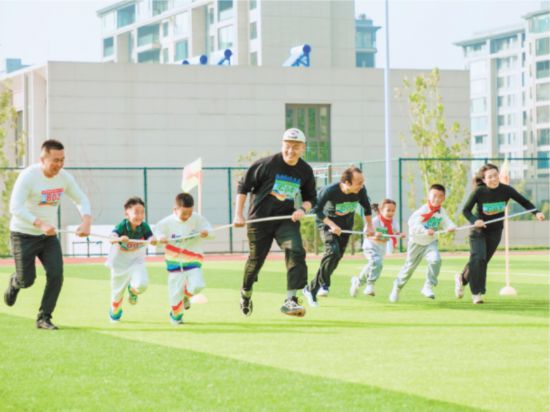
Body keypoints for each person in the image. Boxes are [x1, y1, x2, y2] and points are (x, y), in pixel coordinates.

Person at [4, 139, 91, 330]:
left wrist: (86, 220)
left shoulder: (64, 178)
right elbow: (15, 207)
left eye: (62, 160)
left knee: (56, 275)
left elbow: (80, 198)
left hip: (48, 237)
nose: (59, 164)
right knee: (27, 280)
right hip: (23, 235)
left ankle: (44, 317)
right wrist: (40, 223)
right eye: (55, 160)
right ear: (42, 159)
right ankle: (16, 282)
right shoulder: (28, 177)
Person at [234, 128, 316, 317]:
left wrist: (302, 209)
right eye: (288, 146)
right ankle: (246, 293)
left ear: (303, 148)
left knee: (296, 251)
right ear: (282, 145)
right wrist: (238, 214)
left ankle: (291, 300)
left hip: (285, 220)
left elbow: (311, 198)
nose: (291, 150)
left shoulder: (305, 170)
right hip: (259, 221)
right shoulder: (266, 164)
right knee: (256, 261)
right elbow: (243, 186)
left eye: (296, 147)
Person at [455, 163, 545, 304]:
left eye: (495, 175)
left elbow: (524, 202)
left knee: (482, 260)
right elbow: (465, 210)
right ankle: (477, 294)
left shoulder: (506, 190)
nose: (494, 179)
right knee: (478, 257)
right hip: (478, 230)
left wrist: (537, 212)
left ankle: (462, 278)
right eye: (490, 177)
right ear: (484, 179)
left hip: (495, 231)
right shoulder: (479, 191)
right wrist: (475, 220)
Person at [302, 167, 374, 307]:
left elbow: (366, 207)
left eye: (362, 182)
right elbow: (316, 210)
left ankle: (314, 287)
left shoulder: (361, 190)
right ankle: (319, 286)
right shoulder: (330, 191)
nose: (362, 185)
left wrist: (370, 226)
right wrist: (332, 225)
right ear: (347, 182)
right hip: (327, 224)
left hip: (346, 226)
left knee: (336, 258)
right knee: (332, 252)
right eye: (359, 182)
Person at [389, 184, 456, 303]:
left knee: (435, 260)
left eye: (440, 196)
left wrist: (451, 227)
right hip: (416, 243)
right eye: (434, 195)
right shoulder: (423, 210)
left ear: (444, 198)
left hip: (431, 242)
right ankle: (397, 287)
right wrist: (425, 230)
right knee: (409, 268)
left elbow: (447, 222)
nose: (437, 199)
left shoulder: (441, 211)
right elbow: (412, 224)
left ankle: (428, 286)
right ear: (428, 196)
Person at [155, 192, 212, 325]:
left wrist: (206, 233)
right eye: (184, 213)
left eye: (190, 213)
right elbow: (156, 237)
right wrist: (160, 238)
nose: (187, 216)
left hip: (193, 262)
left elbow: (210, 232)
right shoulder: (165, 223)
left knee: (198, 285)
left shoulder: (197, 219)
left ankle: (186, 296)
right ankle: (176, 317)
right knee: (175, 296)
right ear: (175, 209)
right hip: (174, 265)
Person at [106, 197, 157, 322]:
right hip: (119, 264)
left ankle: (132, 290)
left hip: (136, 262)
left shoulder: (144, 226)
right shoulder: (122, 226)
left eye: (142, 212)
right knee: (116, 296)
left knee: (142, 284)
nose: (140, 216)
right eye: (136, 212)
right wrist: (119, 239)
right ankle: (115, 313)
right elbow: (111, 237)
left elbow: (151, 237)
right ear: (127, 214)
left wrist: (153, 240)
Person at [350, 199, 404, 297]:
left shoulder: (394, 223)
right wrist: (375, 235)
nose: (391, 213)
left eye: (393, 210)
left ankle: (358, 282)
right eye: (388, 210)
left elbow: (395, 233)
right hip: (370, 246)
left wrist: (400, 235)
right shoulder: (374, 222)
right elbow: (366, 234)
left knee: (373, 264)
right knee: (377, 263)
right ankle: (370, 284)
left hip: (381, 249)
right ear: (381, 210)